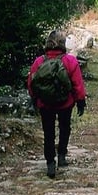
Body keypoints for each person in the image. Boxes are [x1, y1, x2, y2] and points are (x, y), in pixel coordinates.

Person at [27, 30, 87, 178]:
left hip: (45, 104)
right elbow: (77, 84)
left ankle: (50, 164)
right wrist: (80, 101)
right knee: (65, 128)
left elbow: (31, 84)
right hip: (65, 103)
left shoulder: (39, 61)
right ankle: (61, 156)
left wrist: (35, 99)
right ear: (63, 44)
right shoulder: (70, 61)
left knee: (48, 133)